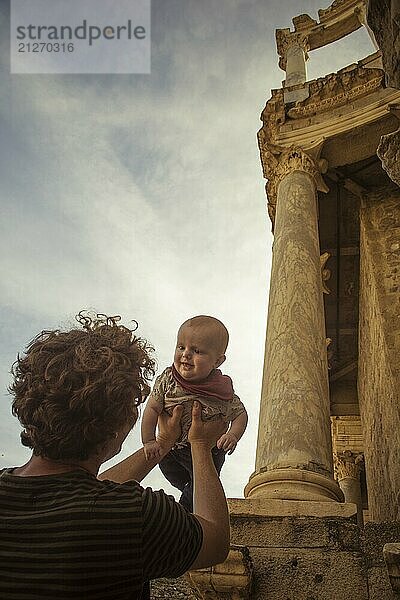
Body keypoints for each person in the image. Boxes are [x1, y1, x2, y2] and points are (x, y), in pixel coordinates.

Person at [0, 312, 230, 600]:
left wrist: (162, 443)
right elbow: (216, 541)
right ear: (117, 428)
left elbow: (81, 490)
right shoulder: (135, 515)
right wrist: (200, 444)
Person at [141, 315, 248, 511]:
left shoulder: (222, 392)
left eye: (197, 351)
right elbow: (152, 409)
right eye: (181, 347)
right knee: (176, 477)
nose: (186, 354)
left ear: (218, 361)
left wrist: (233, 435)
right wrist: (148, 440)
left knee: (201, 483)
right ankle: (191, 491)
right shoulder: (168, 379)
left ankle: (185, 512)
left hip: (208, 451)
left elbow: (240, 415)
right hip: (171, 450)